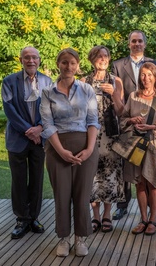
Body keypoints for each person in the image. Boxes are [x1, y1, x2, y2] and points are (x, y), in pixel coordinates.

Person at [40, 48, 100, 257]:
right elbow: (47, 125)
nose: (68, 66)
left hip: (85, 146)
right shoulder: (48, 92)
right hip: (57, 148)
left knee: (82, 196)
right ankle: (64, 238)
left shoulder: (87, 90)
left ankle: (81, 238)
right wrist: (61, 151)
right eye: (64, 62)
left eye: (72, 63)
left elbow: (93, 121)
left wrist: (90, 149)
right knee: (62, 195)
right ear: (58, 64)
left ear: (77, 65)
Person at [111, 30, 156, 220]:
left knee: (150, 172)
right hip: (129, 118)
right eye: (133, 41)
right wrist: (127, 118)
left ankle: (154, 207)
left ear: (145, 43)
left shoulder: (154, 63)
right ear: (129, 43)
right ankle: (122, 205)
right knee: (129, 166)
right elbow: (117, 94)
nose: (137, 44)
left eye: (140, 41)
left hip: (151, 122)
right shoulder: (118, 65)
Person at [1, 46, 52, 239]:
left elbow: (49, 108)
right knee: (19, 180)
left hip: (40, 138)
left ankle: (34, 217)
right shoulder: (9, 81)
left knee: (37, 179)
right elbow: (9, 110)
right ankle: (21, 219)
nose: (31, 61)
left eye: (34, 58)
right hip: (18, 139)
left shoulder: (47, 81)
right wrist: (28, 131)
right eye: (27, 57)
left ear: (39, 60)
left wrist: (39, 127)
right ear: (21, 60)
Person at [80, 45, 125, 233]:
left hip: (110, 134)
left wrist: (113, 93)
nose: (103, 59)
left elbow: (121, 111)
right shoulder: (83, 82)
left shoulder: (116, 81)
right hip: (90, 134)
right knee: (91, 174)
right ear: (92, 59)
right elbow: (79, 111)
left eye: (106, 56)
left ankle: (107, 214)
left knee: (110, 173)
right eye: (99, 56)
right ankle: (95, 216)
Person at [120, 62, 156, 236]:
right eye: (143, 74)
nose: (146, 78)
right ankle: (143, 219)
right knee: (140, 183)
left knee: (153, 184)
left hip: (155, 146)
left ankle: (153, 219)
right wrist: (132, 121)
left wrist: (153, 127)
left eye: (149, 75)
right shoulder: (133, 96)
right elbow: (123, 119)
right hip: (136, 146)